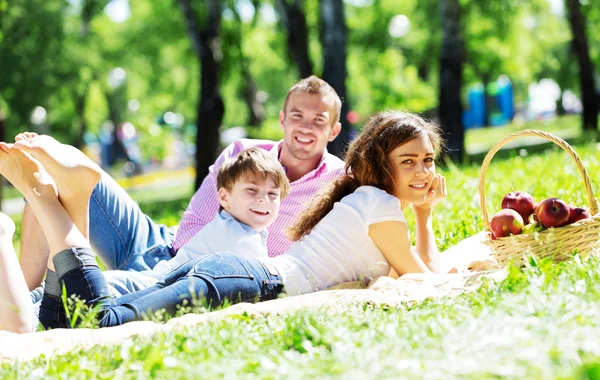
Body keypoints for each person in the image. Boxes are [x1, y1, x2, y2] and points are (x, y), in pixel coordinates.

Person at [17, 109, 449, 329]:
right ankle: (56, 198)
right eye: (408, 161)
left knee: (66, 320)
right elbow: (423, 278)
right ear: (381, 162)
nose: (424, 172)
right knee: (103, 321)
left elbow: (408, 268)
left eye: (428, 160)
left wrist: (424, 215)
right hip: (245, 279)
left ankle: (53, 219)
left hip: (227, 271)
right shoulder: (378, 203)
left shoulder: (370, 203)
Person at [18, 75, 346, 299]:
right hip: (163, 248)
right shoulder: (243, 152)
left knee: (100, 289)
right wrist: (159, 274)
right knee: (50, 183)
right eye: (297, 115)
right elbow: (193, 223)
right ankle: (14, 300)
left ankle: (20, 308)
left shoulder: (338, 182)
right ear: (282, 118)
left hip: (193, 274)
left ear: (334, 130)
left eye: (319, 120)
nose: (306, 127)